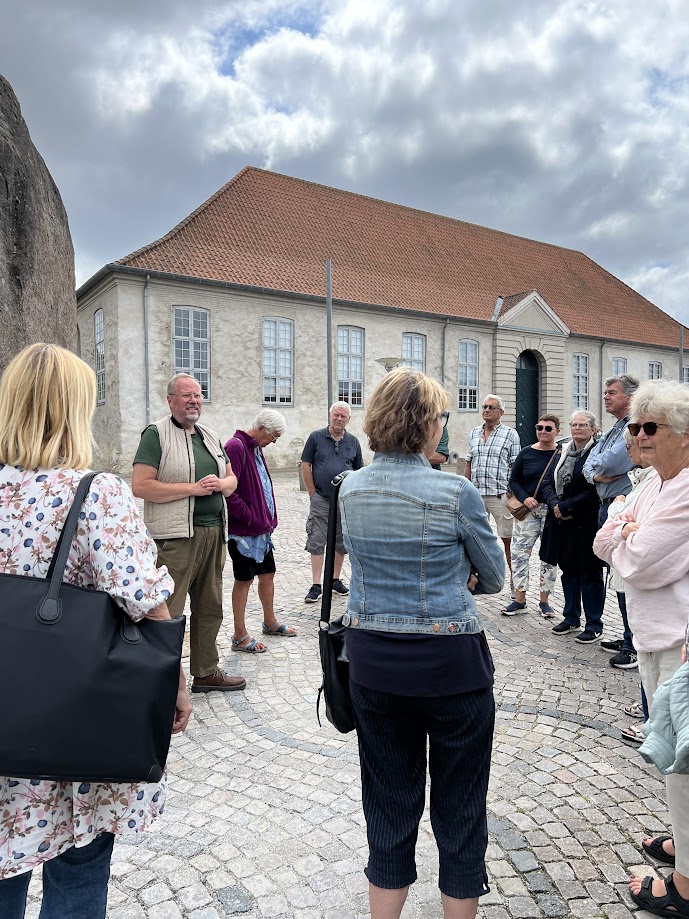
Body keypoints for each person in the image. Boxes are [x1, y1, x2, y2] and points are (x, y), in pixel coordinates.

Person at [0, 344, 192, 919]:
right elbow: (143, 597)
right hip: (75, 714)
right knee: (79, 867)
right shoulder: (95, 493)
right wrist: (173, 683)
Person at [339, 367, 505, 919]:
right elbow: (496, 576)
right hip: (450, 664)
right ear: (428, 424)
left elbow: (360, 567)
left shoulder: (352, 487)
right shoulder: (454, 490)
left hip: (373, 664)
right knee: (460, 808)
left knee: (387, 803)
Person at [593, 379, 689, 919]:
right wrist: (624, 530)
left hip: (679, 644)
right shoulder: (653, 482)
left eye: (651, 427)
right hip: (656, 638)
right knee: (674, 758)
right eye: (634, 426)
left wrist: (626, 536)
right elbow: (604, 541)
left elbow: (638, 562)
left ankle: (685, 888)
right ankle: (683, 841)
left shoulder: (686, 488)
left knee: (683, 763)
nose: (639, 436)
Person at [132, 373, 244, 692]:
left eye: (197, 395)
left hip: (213, 533)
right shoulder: (156, 434)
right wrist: (192, 489)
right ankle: (162, 675)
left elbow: (231, 479)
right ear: (170, 400)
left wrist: (222, 484)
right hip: (175, 538)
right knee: (171, 609)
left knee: (210, 606)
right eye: (186, 396)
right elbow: (141, 486)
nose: (194, 401)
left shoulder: (209, 434)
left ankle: (206, 672)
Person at [225, 410, 297, 653]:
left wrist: (267, 518)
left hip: (261, 531)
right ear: (263, 428)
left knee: (268, 574)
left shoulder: (255, 448)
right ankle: (239, 635)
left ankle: (269, 621)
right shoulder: (235, 447)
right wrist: (249, 516)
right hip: (243, 533)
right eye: (274, 436)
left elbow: (263, 484)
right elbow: (228, 492)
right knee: (243, 581)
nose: (273, 442)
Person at [583, 374, 639, 657]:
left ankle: (633, 645)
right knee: (615, 576)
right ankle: (628, 635)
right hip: (605, 504)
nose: (606, 396)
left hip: (622, 505)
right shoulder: (616, 427)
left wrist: (596, 466)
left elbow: (610, 460)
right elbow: (590, 463)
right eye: (605, 392)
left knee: (624, 575)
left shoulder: (633, 426)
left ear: (629, 396)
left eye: (612, 392)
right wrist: (596, 473)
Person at [540, 411, 605, 640]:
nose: (577, 428)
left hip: (587, 521)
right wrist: (555, 504)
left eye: (583, 425)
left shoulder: (598, 451)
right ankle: (571, 617)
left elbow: (594, 488)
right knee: (568, 570)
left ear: (593, 429)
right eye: (574, 424)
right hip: (562, 522)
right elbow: (547, 480)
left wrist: (567, 506)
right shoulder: (563, 450)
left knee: (590, 573)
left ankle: (594, 624)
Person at [301, 401, 364, 604]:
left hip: (343, 500)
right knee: (317, 538)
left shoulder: (353, 442)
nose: (339, 419)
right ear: (330, 416)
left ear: (348, 419)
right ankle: (316, 584)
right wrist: (312, 493)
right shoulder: (316, 437)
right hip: (321, 498)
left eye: (343, 416)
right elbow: (305, 464)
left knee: (340, 541)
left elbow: (358, 471)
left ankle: (335, 579)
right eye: (336, 415)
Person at [502, 415, 560, 617]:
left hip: (551, 512)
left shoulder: (561, 454)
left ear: (557, 432)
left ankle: (545, 601)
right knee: (519, 554)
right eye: (540, 427)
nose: (543, 431)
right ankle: (519, 599)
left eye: (548, 428)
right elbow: (514, 480)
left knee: (549, 555)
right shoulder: (526, 453)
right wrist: (525, 498)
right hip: (527, 511)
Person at [464, 395, 521, 595]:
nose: (486, 410)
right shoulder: (474, 433)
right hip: (477, 495)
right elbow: (469, 462)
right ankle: (473, 580)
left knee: (507, 540)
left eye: (491, 407)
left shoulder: (510, 434)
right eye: (484, 407)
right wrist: (467, 488)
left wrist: (510, 491)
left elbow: (516, 464)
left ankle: (516, 585)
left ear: (501, 413)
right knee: (473, 539)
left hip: (499, 496)